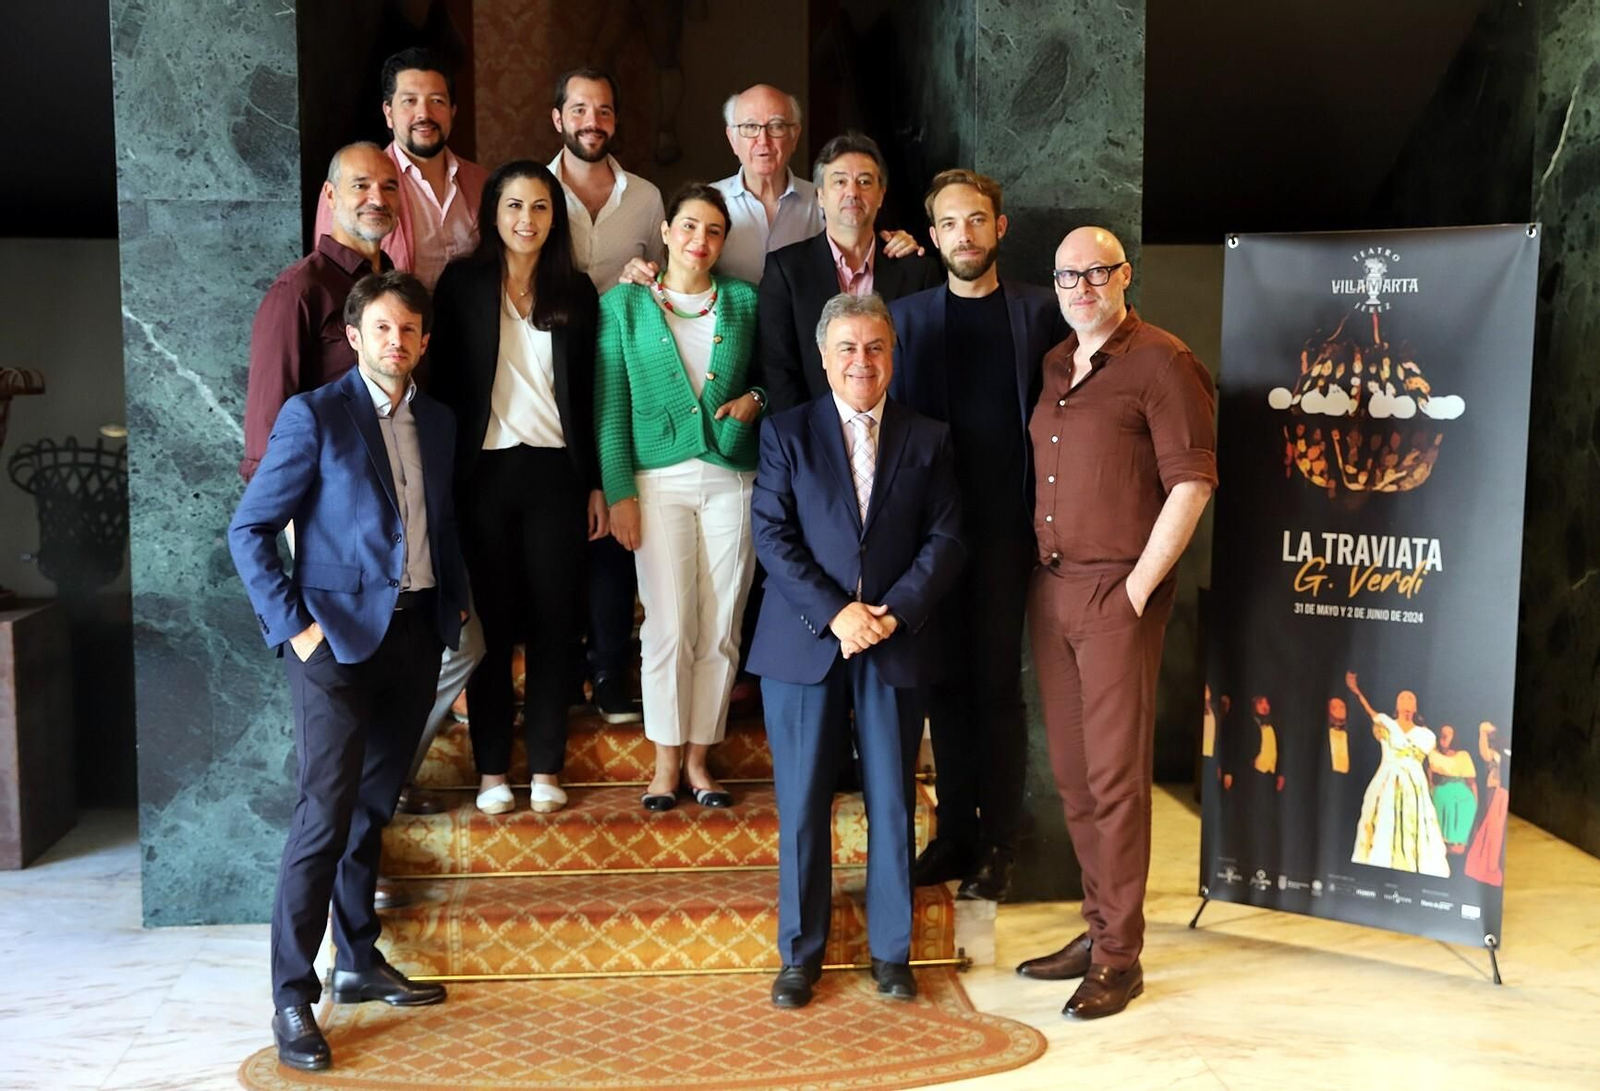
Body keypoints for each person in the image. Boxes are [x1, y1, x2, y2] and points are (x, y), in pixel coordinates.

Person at [228, 271, 468, 1071]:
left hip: (415, 637)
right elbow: (250, 530)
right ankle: (293, 994)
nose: (396, 342)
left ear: (424, 342)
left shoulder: (437, 421)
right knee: (323, 817)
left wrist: (454, 607)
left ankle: (358, 957)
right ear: (356, 335)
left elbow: (443, 522)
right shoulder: (314, 414)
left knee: (372, 805)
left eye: (410, 331)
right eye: (382, 329)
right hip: (331, 642)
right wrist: (294, 630)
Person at [1016, 226, 1216, 1019]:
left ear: (1125, 274)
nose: (1083, 287)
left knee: (1116, 780)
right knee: (1073, 776)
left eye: (1098, 272)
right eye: (1069, 276)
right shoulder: (1058, 363)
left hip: (1114, 596)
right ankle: (1098, 928)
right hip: (1052, 590)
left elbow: (1192, 485)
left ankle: (1120, 957)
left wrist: (1135, 590)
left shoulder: (1165, 361)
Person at [750, 293, 964, 1009]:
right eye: (846, 347)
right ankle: (800, 956)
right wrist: (838, 613)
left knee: (893, 802)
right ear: (822, 355)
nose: (861, 361)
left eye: (874, 347)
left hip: (895, 641)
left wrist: (893, 612)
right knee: (804, 804)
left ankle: (890, 952)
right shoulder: (787, 432)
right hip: (806, 642)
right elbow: (772, 538)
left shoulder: (928, 436)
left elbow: (946, 540)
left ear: (892, 355)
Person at [889, 169, 1066, 902]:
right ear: (933, 238)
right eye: (950, 224)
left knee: (995, 686)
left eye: (977, 221)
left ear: (1001, 228)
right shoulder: (906, 318)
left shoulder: (1042, 313)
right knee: (941, 685)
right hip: (932, 535)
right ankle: (955, 833)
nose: (965, 235)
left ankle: (1000, 842)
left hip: (1007, 530)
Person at [428, 161, 604, 816]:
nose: (525, 220)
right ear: (493, 214)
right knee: (493, 627)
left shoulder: (576, 290)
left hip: (557, 473)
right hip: (483, 474)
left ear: (554, 216)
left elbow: (589, 396)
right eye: (512, 206)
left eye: (538, 207)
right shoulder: (463, 283)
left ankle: (548, 766)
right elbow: (442, 386)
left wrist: (594, 484)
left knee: (558, 625)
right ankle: (493, 770)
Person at [594, 183, 764, 810]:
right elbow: (610, 406)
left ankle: (700, 759)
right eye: (689, 226)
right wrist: (619, 492)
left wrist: (757, 402)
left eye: (714, 231)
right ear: (666, 232)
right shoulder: (625, 305)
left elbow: (772, 380)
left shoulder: (745, 301)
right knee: (668, 624)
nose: (700, 240)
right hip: (655, 482)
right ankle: (664, 761)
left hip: (732, 477)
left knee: (721, 623)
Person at [548, 66, 666, 724]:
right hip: (550, 375)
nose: (593, 121)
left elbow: (661, 283)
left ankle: (610, 669)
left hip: (623, 375)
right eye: (580, 110)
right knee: (562, 523)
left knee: (615, 524)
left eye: (606, 110)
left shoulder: (647, 198)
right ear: (558, 119)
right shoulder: (532, 191)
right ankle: (563, 665)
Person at [242, 143, 398, 483]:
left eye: (389, 186)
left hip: (396, 489)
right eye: (360, 185)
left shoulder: (397, 288)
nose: (378, 198)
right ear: (330, 195)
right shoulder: (300, 289)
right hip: (329, 493)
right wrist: (287, 518)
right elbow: (266, 422)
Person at [758, 132, 942, 413]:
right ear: (819, 195)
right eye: (840, 181)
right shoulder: (786, 270)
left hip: (900, 436)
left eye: (865, 182)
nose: (852, 192)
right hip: (812, 436)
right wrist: (808, 440)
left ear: (881, 195)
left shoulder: (918, 270)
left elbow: (928, 365)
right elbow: (778, 370)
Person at [313, 47, 488, 292]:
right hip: (397, 329)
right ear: (389, 113)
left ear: (452, 111)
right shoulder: (351, 187)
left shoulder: (482, 182)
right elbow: (331, 278)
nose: (424, 114)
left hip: (475, 329)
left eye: (437, 101)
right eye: (409, 101)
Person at [1345, 672, 1450, 877]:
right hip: (1388, 779)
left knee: (1414, 823)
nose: (1407, 700)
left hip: (1414, 784)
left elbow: (1435, 759)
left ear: (1416, 706)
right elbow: (1369, 711)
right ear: (1397, 704)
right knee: (1385, 818)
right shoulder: (1386, 724)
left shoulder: (1424, 734)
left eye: (1411, 698)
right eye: (1403, 697)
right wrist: (1356, 690)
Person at [1427, 723, 1479, 857]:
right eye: (1442, 733)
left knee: (1459, 847)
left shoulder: (1463, 756)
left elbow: (1472, 782)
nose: (1444, 736)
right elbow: (1430, 779)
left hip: (1462, 795)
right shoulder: (1433, 754)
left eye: (1448, 733)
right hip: (1442, 792)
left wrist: (1476, 803)